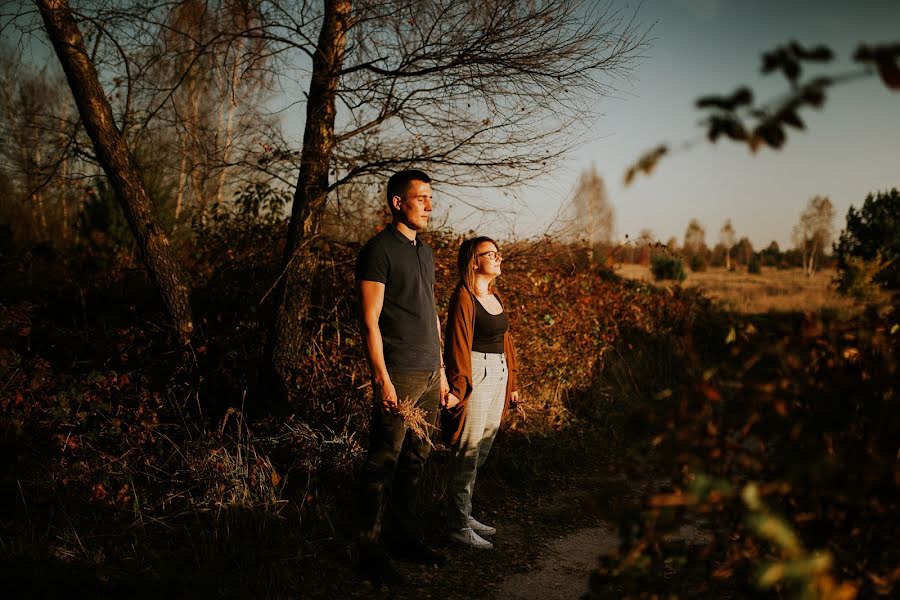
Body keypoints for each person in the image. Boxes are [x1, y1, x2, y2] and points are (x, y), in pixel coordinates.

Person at [355, 169, 450, 585]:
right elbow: (369, 321)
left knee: (417, 459)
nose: (430, 205)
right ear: (398, 202)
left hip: (430, 373)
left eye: (431, 198)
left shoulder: (425, 252)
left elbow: (430, 313)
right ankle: (369, 551)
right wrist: (382, 379)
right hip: (400, 373)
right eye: (422, 198)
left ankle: (404, 537)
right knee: (383, 462)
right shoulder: (378, 250)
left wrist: (443, 373)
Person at [443, 236, 519, 549]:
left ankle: (464, 513)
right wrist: (459, 387)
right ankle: (457, 524)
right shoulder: (464, 297)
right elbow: (456, 344)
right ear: (475, 261)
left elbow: (506, 340)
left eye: (499, 253)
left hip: (498, 373)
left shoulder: (494, 295)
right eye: (492, 254)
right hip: (475, 373)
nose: (499, 258)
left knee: (482, 448)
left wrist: (512, 382)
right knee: (468, 451)